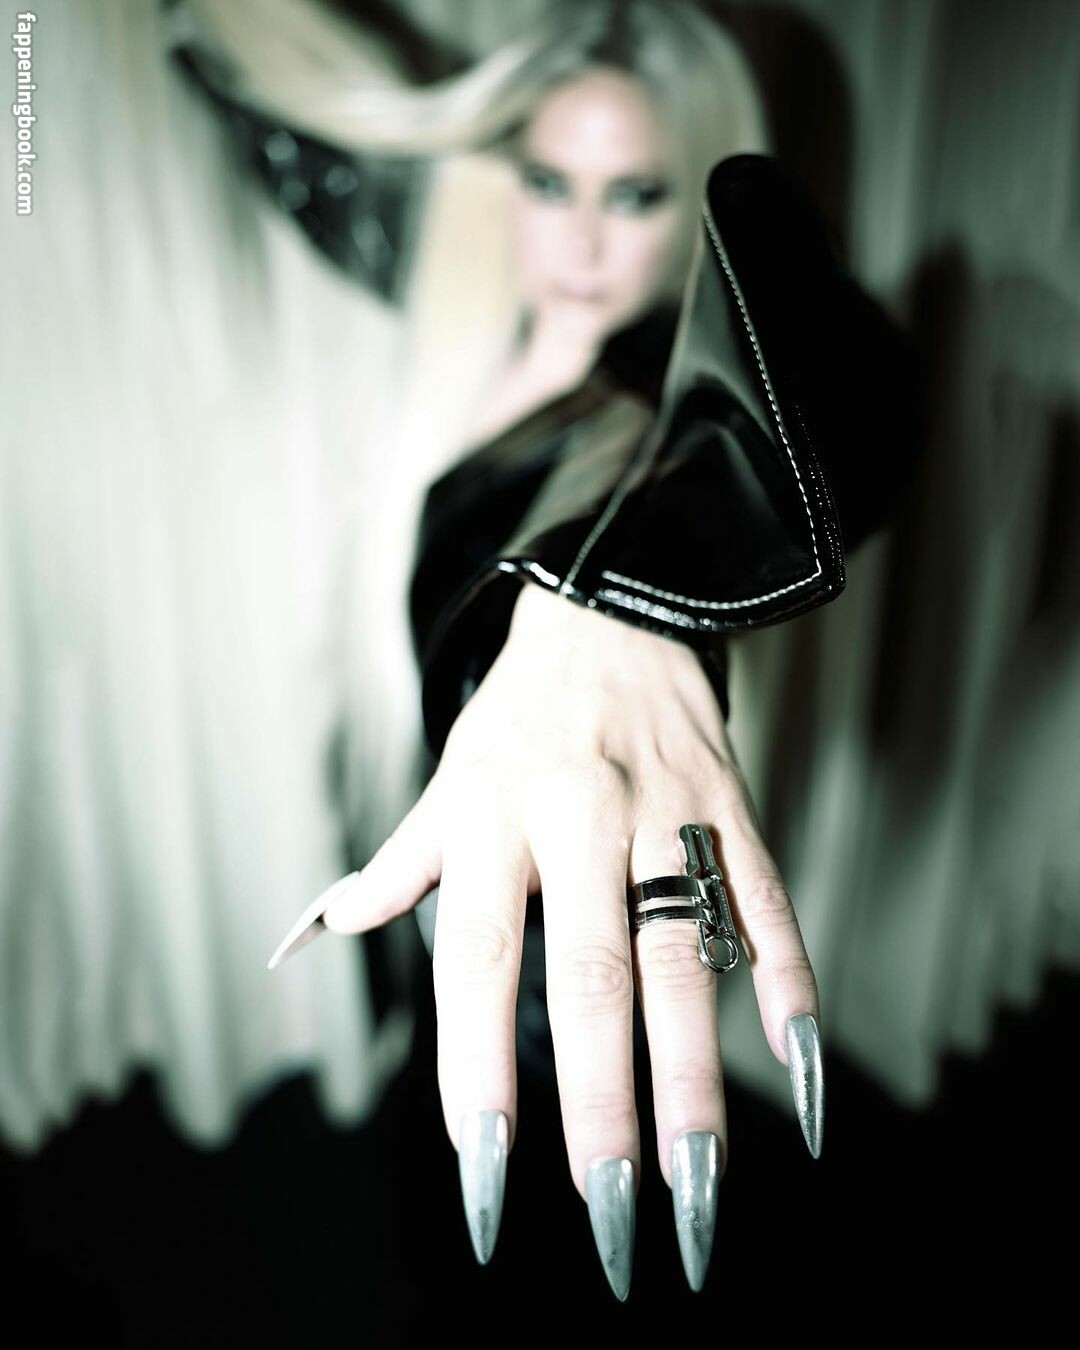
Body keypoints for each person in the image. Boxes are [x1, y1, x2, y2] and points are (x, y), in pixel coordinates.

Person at [172, 0, 923, 1302]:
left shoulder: (657, 408)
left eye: (635, 194)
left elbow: (853, 389)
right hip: (446, 952)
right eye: (547, 182)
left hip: (583, 1002)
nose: (579, 240)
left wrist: (606, 601)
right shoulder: (469, 320)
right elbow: (276, 124)